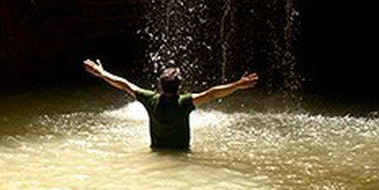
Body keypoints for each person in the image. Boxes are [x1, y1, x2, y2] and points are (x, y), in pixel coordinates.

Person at [82, 59, 259, 150]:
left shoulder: (150, 99)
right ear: (179, 85)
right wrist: (237, 85)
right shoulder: (185, 103)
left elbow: (124, 84)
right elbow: (212, 94)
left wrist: (102, 73)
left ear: (160, 84)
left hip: (156, 152)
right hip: (182, 154)